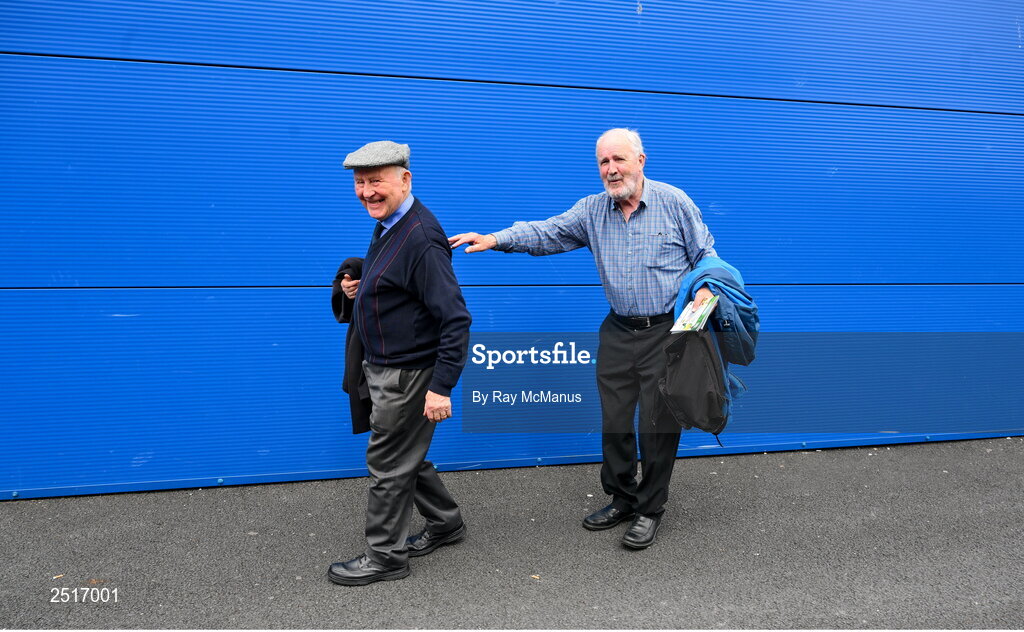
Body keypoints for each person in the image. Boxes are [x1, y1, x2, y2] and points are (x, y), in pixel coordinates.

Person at [449, 128, 716, 550]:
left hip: (667, 331)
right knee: (614, 421)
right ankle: (623, 498)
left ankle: (650, 509)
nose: (611, 170)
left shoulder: (674, 202)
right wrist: (497, 239)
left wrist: (704, 289)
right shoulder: (593, 211)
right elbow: (547, 232)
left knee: (656, 425)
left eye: (619, 160)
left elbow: (706, 256)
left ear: (640, 161)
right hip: (618, 330)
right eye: (603, 163)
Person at [328, 140, 471, 586]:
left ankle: (385, 556)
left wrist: (441, 386)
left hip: (408, 375)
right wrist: (360, 284)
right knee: (404, 453)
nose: (367, 191)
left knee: (388, 463)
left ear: (405, 180)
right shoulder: (391, 223)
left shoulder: (422, 238)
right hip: (385, 368)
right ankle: (446, 522)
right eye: (360, 182)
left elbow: (456, 319)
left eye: (376, 182)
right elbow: (395, 281)